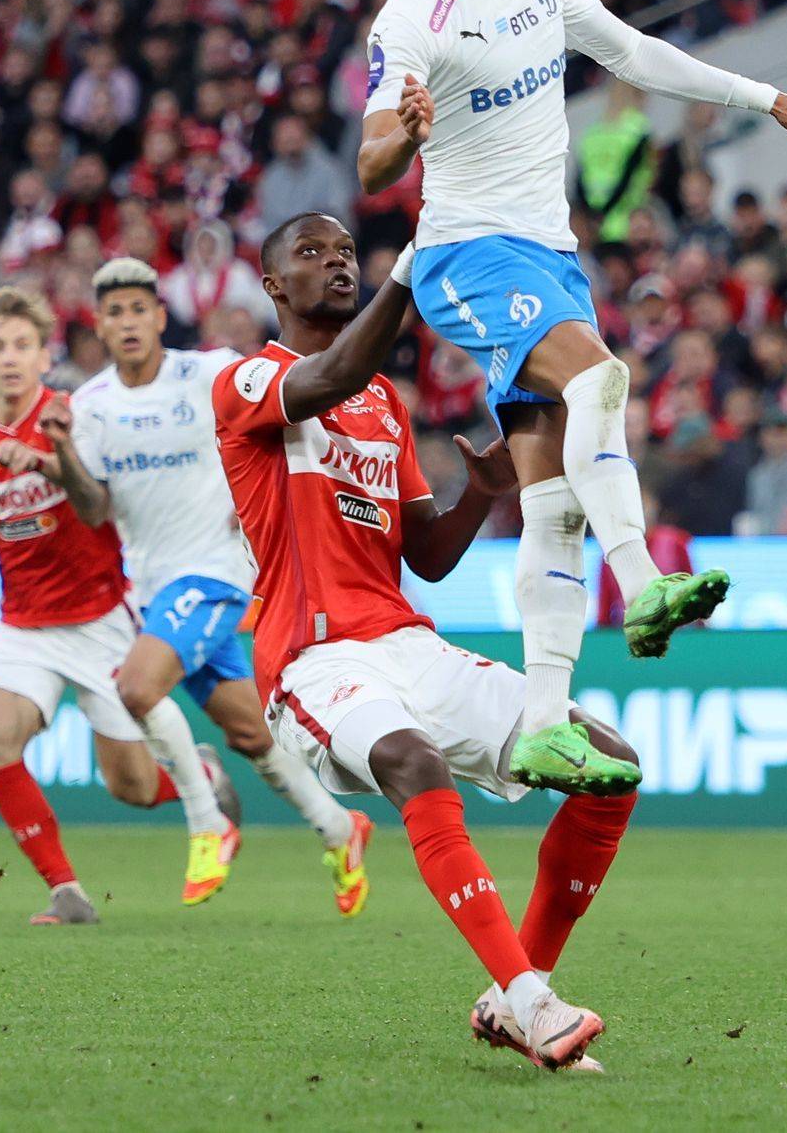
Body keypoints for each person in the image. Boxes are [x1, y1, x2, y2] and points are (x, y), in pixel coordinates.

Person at [353, 0, 787, 792]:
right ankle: (644, 583)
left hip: (549, 254)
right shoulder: (413, 18)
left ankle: (544, 725)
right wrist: (403, 133)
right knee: (601, 379)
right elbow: (373, 156)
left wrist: (768, 99)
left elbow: (631, 52)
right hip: (469, 255)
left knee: (551, 503)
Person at [212, 212, 640, 1071]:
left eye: (345, 252)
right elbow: (335, 370)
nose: (337, 263)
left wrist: (480, 494)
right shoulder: (248, 380)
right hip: (312, 657)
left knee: (611, 768)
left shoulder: (383, 403)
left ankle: (515, 993)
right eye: (311, 253)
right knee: (415, 761)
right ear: (272, 286)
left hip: (408, 644)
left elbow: (428, 557)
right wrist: (411, 270)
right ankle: (534, 1005)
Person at [10, 256, 371, 916]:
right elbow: (93, 509)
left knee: (136, 688)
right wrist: (60, 451)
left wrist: (267, 490)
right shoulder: (90, 406)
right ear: (99, 325)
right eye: (113, 313)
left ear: (158, 317)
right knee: (251, 733)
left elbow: (286, 406)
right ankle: (340, 828)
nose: (126, 323)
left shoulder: (209, 373)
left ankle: (209, 824)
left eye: (137, 310)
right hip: (153, 590)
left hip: (216, 572)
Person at [0, 286, 240, 924]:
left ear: (43, 357)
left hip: (103, 620)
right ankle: (66, 892)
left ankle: (199, 777)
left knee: (131, 787)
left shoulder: (79, 418)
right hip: (24, 627)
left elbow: (114, 495)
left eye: (21, 346)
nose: (9, 358)